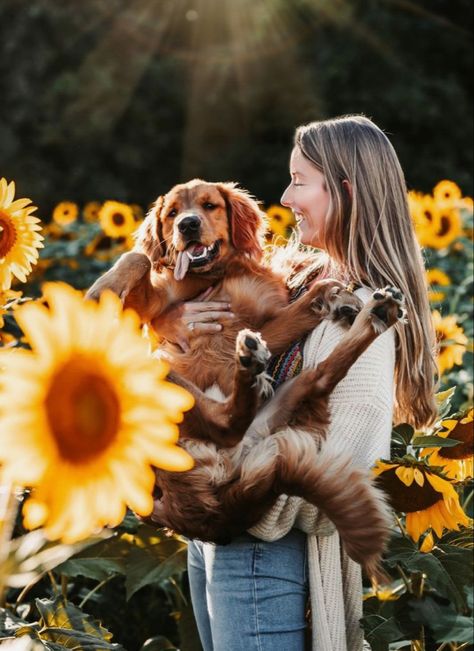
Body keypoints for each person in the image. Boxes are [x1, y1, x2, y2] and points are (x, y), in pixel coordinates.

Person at [152, 115, 438, 651]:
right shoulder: (297, 276)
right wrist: (169, 318)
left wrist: (229, 494)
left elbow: (342, 460)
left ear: (345, 192)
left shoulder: (365, 315)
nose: (284, 197)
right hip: (212, 537)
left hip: (264, 545)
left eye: (299, 181)